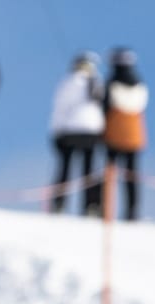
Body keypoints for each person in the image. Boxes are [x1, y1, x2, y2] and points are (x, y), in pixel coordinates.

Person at [47, 52, 104, 215]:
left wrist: (56, 131)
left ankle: (59, 204)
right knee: (90, 171)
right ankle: (92, 205)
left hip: (69, 132)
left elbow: (59, 109)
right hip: (91, 133)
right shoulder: (97, 83)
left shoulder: (68, 83)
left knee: (64, 169)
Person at [103, 47, 149, 221]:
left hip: (113, 136)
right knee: (132, 177)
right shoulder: (140, 85)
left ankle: (104, 209)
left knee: (108, 175)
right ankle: (132, 211)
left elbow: (105, 108)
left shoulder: (111, 84)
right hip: (135, 137)